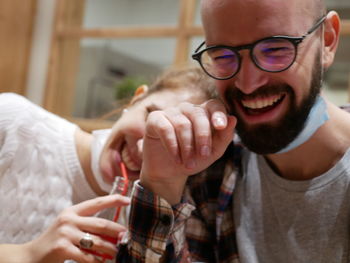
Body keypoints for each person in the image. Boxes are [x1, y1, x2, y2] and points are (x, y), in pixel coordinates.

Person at [116, 0, 350, 262]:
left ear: (327, 40)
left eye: (275, 49)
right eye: (223, 56)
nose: (248, 84)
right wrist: (161, 184)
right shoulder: (212, 173)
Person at [0, 66, 216, 262]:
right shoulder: (13, 122)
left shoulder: (150, 226)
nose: (143, 148)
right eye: (150, 118)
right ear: (136, 99)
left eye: (172, 144)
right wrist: (28, 254)